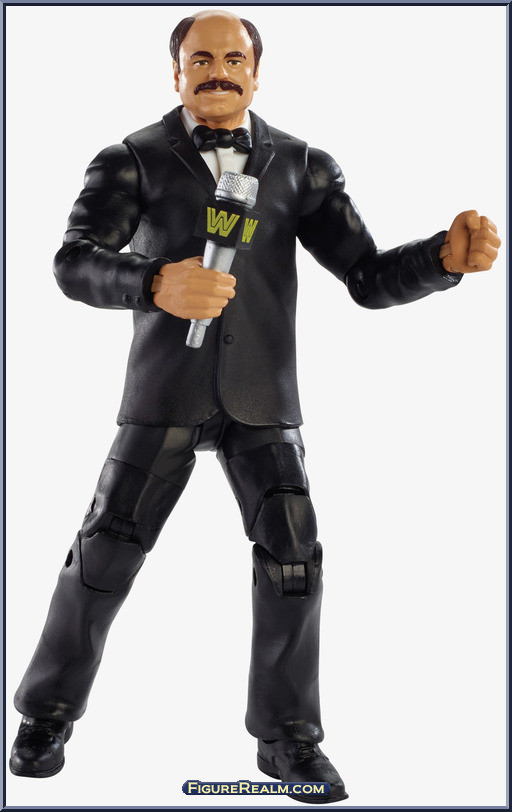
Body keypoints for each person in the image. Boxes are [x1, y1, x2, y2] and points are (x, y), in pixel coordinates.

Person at [9, 9, 500, 803]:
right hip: (165, 391)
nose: (218, 72)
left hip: (263, 398)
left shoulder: (302, 166)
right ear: (176, 73)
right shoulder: (131, 159)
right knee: (103, 555)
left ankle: (287, 735)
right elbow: (73, 263)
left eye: (234, 59)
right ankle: (47, 714)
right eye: (200, 59)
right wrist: (151, 282)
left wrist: (441, 260)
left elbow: (367, 277)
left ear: (257, 72)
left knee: (294, 562)